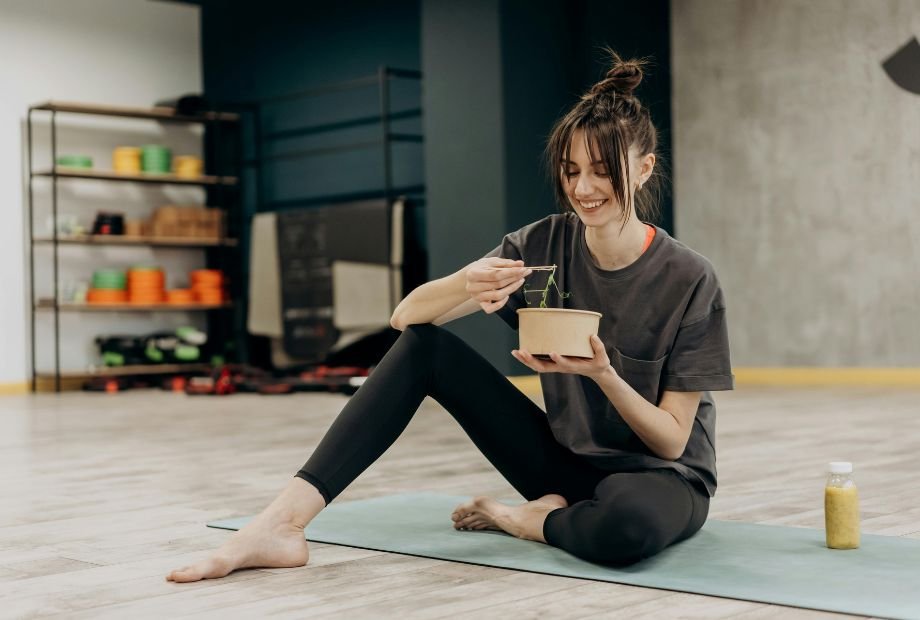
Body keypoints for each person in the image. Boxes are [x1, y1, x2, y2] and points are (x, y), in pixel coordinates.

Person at [166, 51, 733, 583]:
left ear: (642, 169)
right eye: (570, 170)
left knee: (626, 530)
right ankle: (282, 524)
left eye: (602, 171)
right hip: (565, 465)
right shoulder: (539, 245)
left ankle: (525, 520)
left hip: (661, 480)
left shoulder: (689, 279)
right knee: (424, 347)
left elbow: (670, 442)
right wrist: (467, 281)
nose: (583, 189)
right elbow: (404, 318)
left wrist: (602, 374)